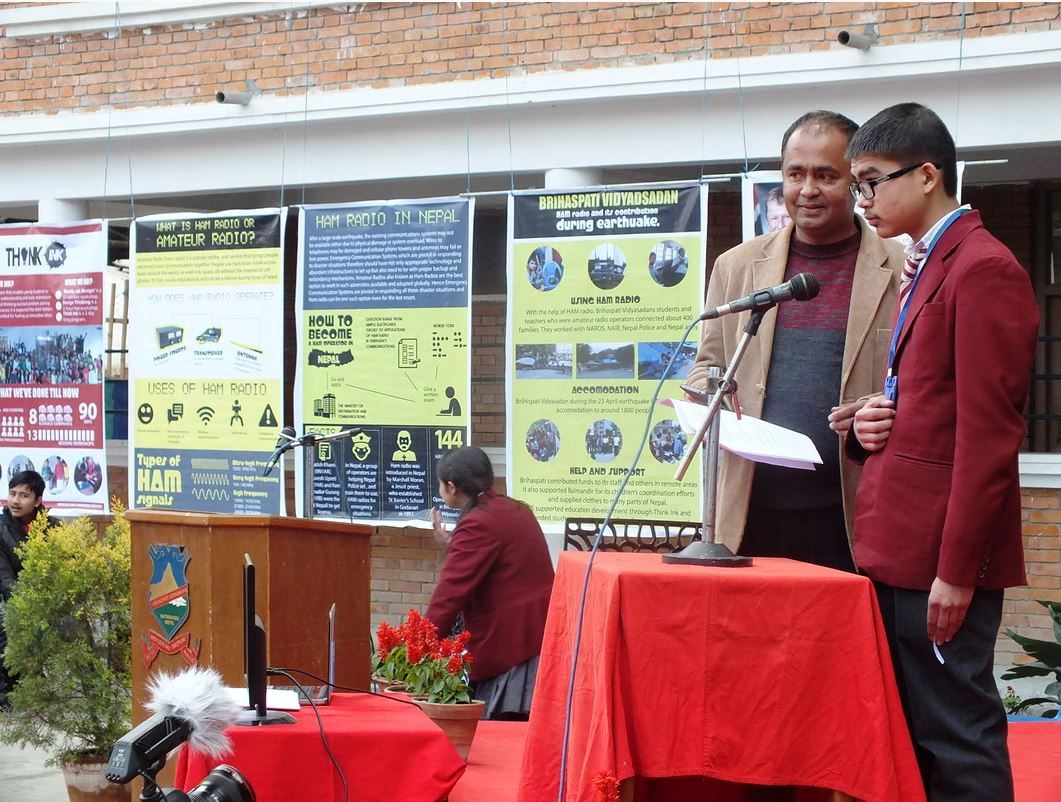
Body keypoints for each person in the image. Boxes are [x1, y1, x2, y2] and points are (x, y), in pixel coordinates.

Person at [846, 102, 1038, 802]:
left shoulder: (982, 267)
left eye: (872, 181)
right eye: (858, 185)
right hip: (902, 541)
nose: (863, 200)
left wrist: (957, 571)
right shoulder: (928, 263)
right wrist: (874, 419)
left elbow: (988, 435)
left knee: (956, 735)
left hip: (938, 558)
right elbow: (933, 402)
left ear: (927, 175)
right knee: (917, 735)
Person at [688, 110, 906, 572]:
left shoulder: (902, 269)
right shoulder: (736, 266)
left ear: (855, 182)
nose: (807, 189)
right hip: (751, 514)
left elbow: (923, 385)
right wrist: (708, 392)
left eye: (826, 175)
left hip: (855, 517)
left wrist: (879, 407)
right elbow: (708, 365)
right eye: (795, 174)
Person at [426, 446, 554, 720]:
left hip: (511, 646)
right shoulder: (514, 508)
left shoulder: (478, 523)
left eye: (440, 484)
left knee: (498, 734)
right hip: (537, 633)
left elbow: (450, 592)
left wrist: (421, 642)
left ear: (451, 487)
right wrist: (451, 542)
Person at [0, 470, 58, 707]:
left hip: (45, 601)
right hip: (11, 599)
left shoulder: (53, 528)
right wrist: (29, 603)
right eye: (12, 493)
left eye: (24, 495)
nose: (15, 501)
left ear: (37, 501)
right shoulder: (1, 530)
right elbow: (4, 577)